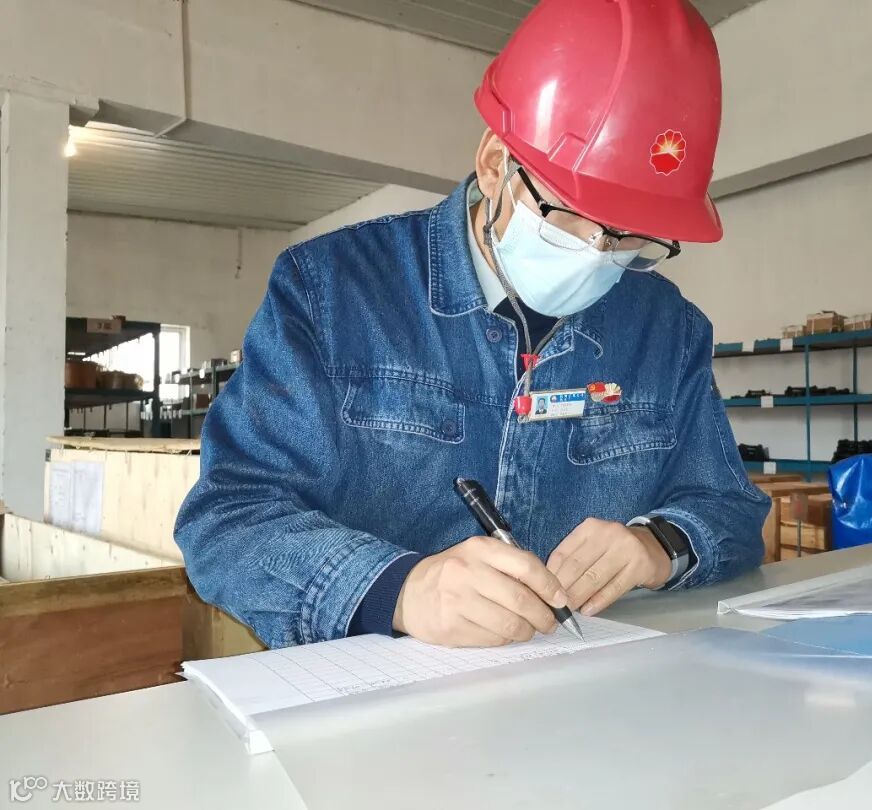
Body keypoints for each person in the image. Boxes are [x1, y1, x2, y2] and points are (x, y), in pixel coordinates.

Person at [175, 0, 770, 650]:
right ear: (494, 165)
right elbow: (227, 518)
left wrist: (659, 544)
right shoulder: (332, 291)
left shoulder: (668, 328)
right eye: (569, 217)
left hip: (586, 684)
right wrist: (400, 590)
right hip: (378, 692)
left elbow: (730, 509)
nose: (599, 254)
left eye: (633, 237)